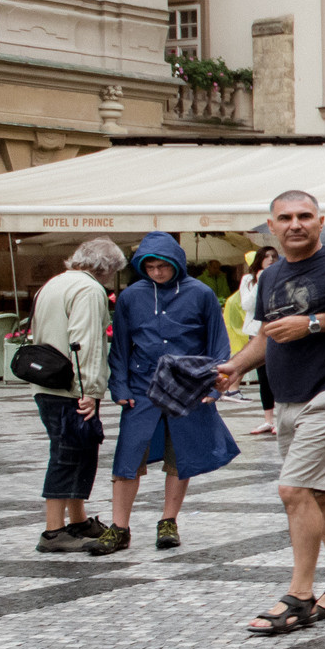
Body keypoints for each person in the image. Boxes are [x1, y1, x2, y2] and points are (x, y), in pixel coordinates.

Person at [216, 192, 325, 635]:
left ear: (320, 221)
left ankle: (300, 595)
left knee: (294, 490)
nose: (296, 224)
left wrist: (314, 323)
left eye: (305, 216)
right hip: (288, 396)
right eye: (286, 218)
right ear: (270, 226)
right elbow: (267, 336)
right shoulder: (271, 274)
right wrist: (236, 365)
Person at [104, 233, 236, 554]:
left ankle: (168, 521)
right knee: (128, 456)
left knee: (181, 455)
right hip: (141, 386)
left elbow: (218, 344)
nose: (157, 273)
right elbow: (119, 346)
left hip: (187, 385)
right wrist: (118, 386)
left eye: (162, 266)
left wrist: (214, 386)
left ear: (176, 263)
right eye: (149, 267)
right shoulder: (131, 297)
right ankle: (119, 527)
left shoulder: (201, 294)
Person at [31, 238, 121, 554]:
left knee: (76, 451)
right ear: (107, 268)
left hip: (47, 384)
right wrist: (90, 391)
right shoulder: (89, 290)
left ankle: (79, 520)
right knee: (68, 455)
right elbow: (84, 343)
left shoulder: (54, 284)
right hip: (72, 387)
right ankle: (54, 532)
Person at [232, 247, 279, 436]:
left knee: (278, 376)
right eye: (266, 256)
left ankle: (281, 418)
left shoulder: (281, 276)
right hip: (257, 332)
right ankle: (268, 419)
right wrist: (260, 281)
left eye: (273, 257)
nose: (269, 259)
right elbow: (247, 305)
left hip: (278, 330)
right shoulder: (248, 280)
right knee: (264, 378)